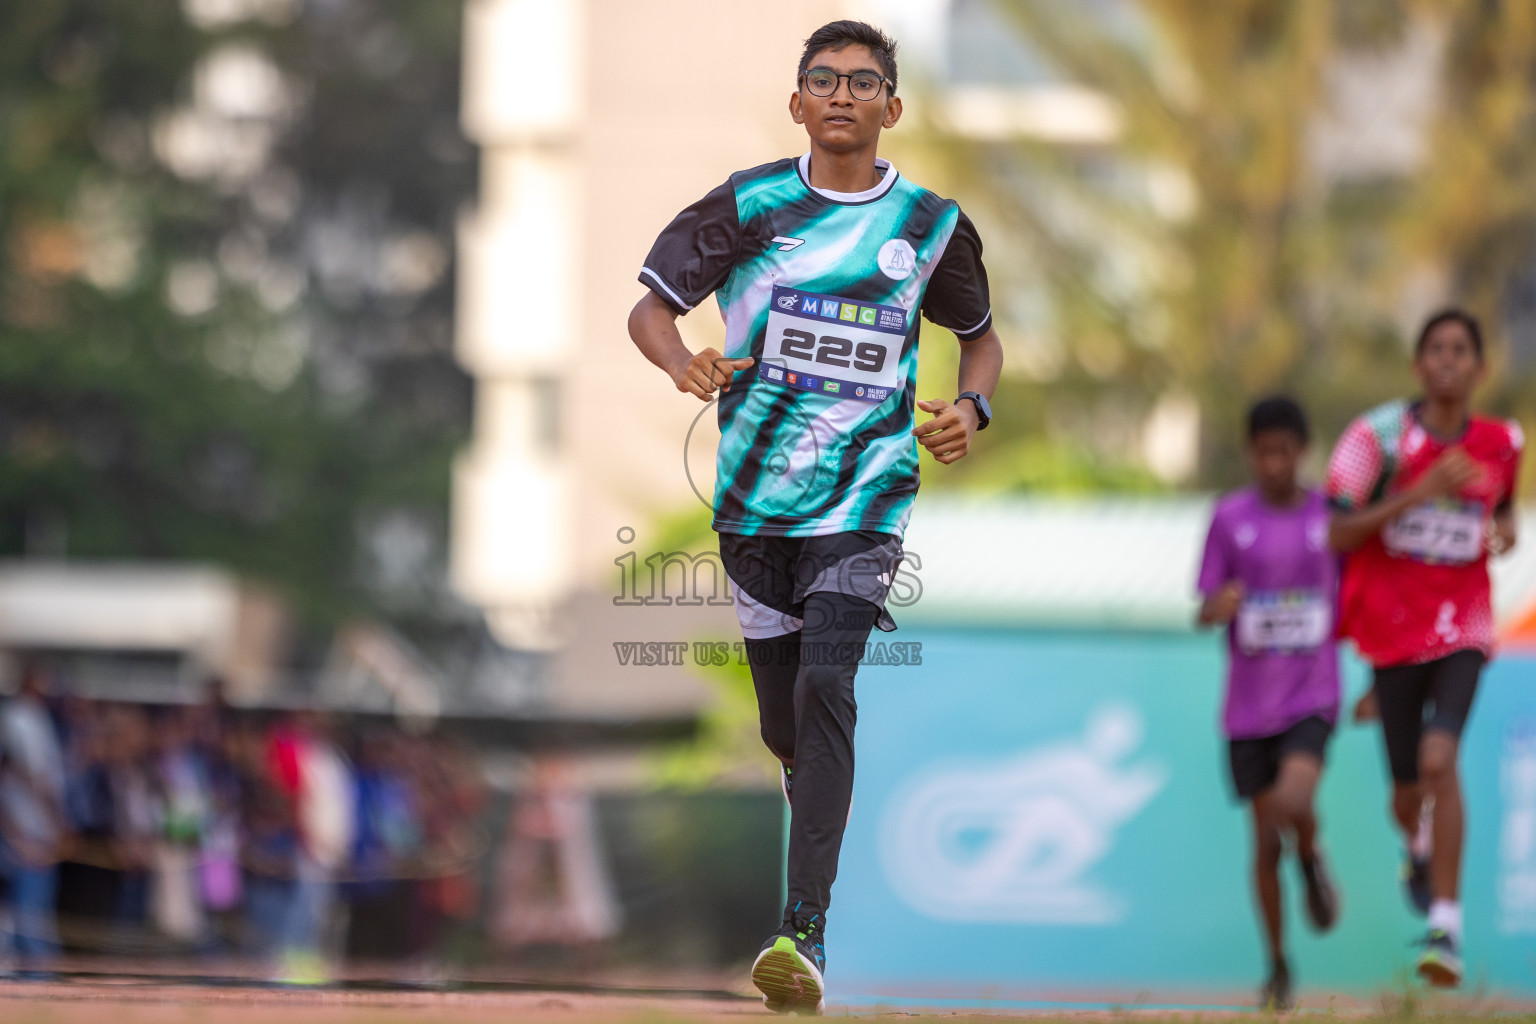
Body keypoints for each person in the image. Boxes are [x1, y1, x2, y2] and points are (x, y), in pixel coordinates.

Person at [627, 20, 1002, 1014]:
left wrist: (971, 407)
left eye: (864, 81)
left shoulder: (928, 226)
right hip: (754, 506)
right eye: (824, 81)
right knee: (786, 725)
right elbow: (651, 309)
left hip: (868, 495)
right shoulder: (752, 204)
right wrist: (683, 363)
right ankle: (813, 819)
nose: (843, 94)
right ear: (798, 103)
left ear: (893, 107)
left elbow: (980, 341)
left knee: (830, 681)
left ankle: (804, 931)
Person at [1326, 308, 1523, 987]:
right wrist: (1417, 494)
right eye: (1434, 349)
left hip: (1463, 624)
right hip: (1390, 629)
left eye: (1460, 350)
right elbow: (1338, 533)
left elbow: (1501, 510)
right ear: (1418, 365)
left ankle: (1446, 927)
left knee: (1442, 758)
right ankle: (1416, 842)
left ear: (1478, 369)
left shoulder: (1503, 441)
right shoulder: (1375, 438)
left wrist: (1505, 532)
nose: (1447, 360)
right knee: (1409, 791)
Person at [1196, 397, 1342, 1009]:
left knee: (1292, 800)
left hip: (1311, 693)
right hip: (1249, 706)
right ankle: (1278, 965)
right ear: (1251, 451)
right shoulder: (1229, 518)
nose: (1275, 462)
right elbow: (1204, 610)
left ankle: (1309, 854)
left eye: (1285, 450)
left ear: (1302, 452)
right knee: (1263, 843)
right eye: (1264, 451)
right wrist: (1220, 607)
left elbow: (1360, 591)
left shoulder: (1332, 519)